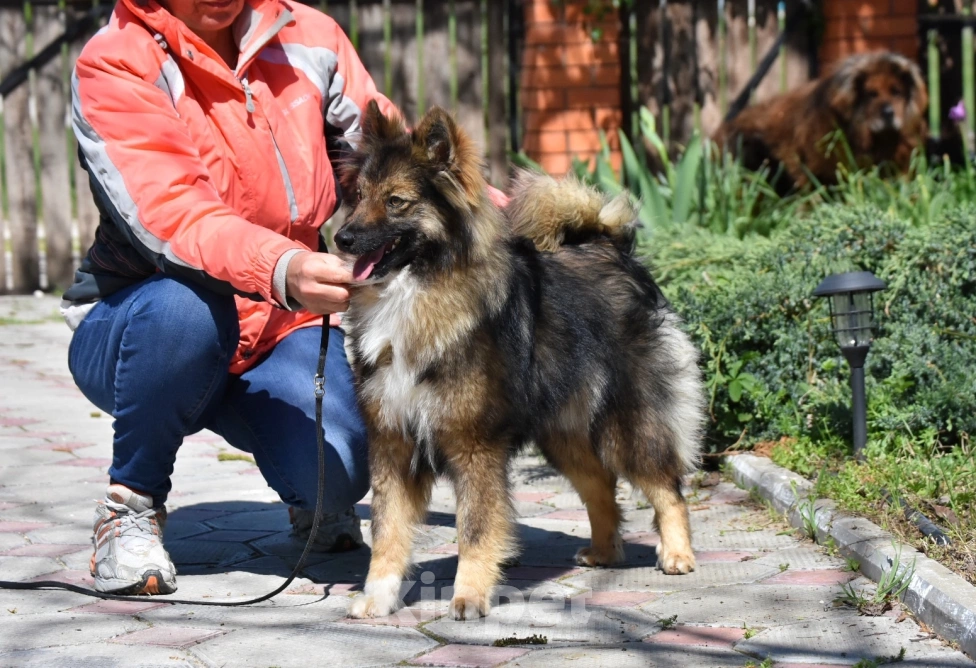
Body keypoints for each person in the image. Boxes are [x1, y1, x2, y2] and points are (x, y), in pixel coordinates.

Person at [64, 0, 400, 595]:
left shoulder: (311, 38)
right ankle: (130, 508)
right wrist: (282, 266)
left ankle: (282, 462)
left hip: (276, 327)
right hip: (143, 321)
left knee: (341, 472)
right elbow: (174, 215)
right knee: (187, 313)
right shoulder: (115, 61)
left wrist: (516, 229)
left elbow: (397, 162)